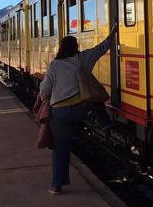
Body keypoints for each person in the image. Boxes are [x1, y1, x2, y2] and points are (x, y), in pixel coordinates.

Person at [39, 24, 118, 195]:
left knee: (61, 148)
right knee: (94, 99)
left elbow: (45, 88)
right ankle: (106, 124)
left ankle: (56, 185)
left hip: (59, 114)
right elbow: (102, 47)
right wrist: (113, 33)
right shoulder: (83, 59)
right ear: (76, 47)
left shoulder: (54, 65)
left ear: (61, 48)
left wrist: (47, 100)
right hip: (80, 109)